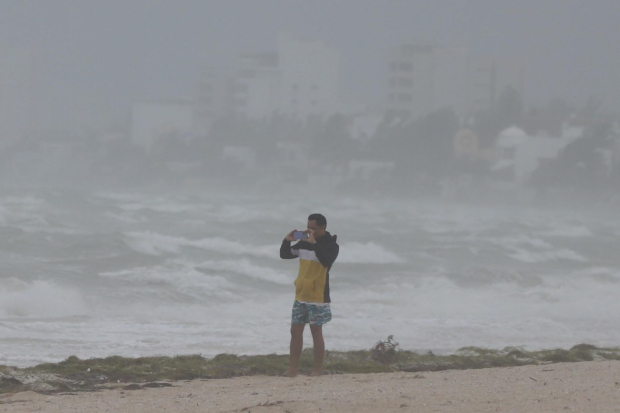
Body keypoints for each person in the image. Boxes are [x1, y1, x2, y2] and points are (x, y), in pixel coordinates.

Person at [280, 213, 339, 377]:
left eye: (313, 228)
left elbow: (326, 261)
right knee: (295, 332)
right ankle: (292, 369)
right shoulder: (303, 243)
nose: (310, 231)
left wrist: (314, 244)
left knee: (316, 332)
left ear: (323, 227)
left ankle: (317, 369)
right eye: (308, 227)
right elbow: (285, 255)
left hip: (318, 296)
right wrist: (287, 240)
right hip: (301, 294)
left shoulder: (331, 245)